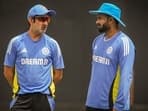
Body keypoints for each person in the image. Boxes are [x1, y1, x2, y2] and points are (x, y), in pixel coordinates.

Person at [3, 4, 64, 111]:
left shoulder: (52, 44)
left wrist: (45, 89)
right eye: (41, 19)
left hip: (44, 98)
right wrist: (17, 88)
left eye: (47, 19)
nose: (45, 23)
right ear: (31, 20)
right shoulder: (16, 42)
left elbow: (58, 74)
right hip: (21, 97)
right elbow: (7, 71)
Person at [85, 2, 135, 111]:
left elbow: (127, 77)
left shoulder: (124, 43)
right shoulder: (97, 41)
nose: (97, 22)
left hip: (112, 106)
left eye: (100, 18)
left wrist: (119, 106)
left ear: (111, 20)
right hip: (91, 104)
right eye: (97, 18)